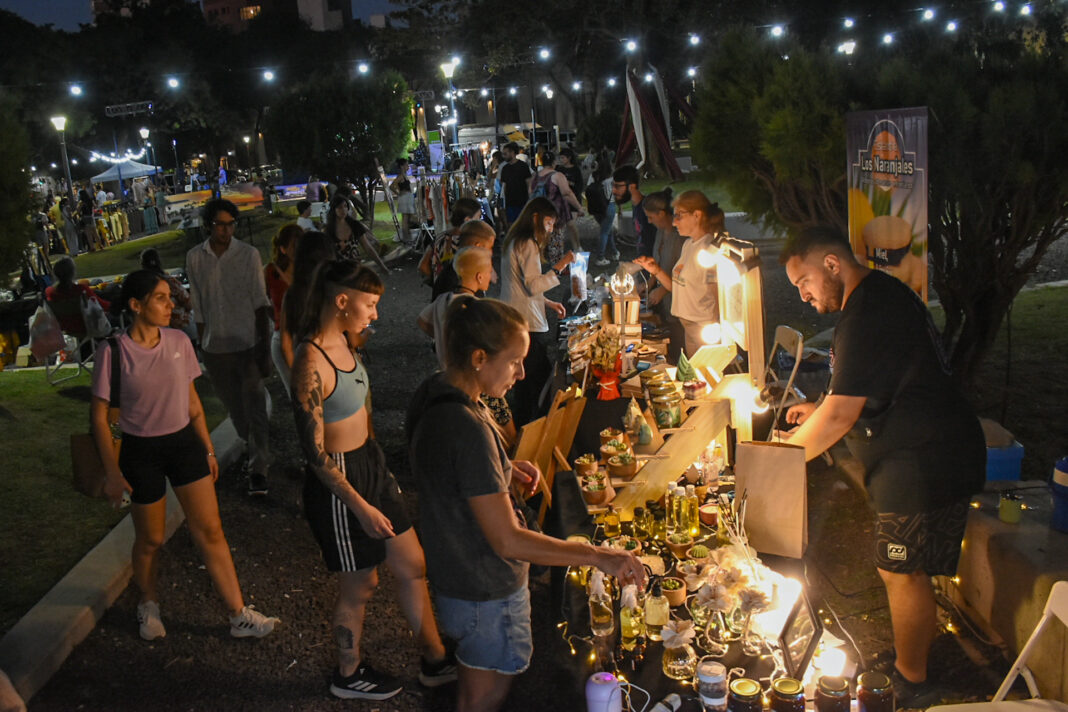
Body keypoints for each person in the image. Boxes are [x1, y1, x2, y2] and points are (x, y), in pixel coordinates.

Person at [407, 297, 647, 712]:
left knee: (474, 677)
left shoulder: (437, 391)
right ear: (479, 358)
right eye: (514, 361)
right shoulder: (467, 427)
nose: (521, 373)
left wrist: (502, 468)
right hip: (485, 589)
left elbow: (446, 472)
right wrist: (598, 556)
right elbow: (509, 541)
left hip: (456, 578)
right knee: (485, 695)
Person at [778, 226, 985, 706]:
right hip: (921, 450)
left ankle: (911, 681)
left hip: (924, 456)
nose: (804, 295)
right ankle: (911, 660)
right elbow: (859, 385)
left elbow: (840, 415)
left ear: (832, 264)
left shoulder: (869, 309)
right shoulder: (873, 298)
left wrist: (780, 461)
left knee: (900, 569)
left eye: (804, 281)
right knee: (906, 568)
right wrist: (819, 408)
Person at [289, 260, 455, 701]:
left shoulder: (347, 341)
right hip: (339, 482)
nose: (376, 314)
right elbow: (315, 454)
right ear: (342, 301)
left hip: (370, 465)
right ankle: (347, 673)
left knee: (412, 563)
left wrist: (380, 468)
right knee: (361, 584)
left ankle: (435, 658)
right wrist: (360, 508)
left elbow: (364, 411)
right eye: (370, 305)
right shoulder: (310, 360)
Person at [90, 269, 280, 643]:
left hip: (184, 445)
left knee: (210, 529)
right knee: (151, 539)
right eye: (160, 298)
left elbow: (192, 402)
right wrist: (112, 472)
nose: (170, 305)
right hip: (140, 452)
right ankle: (148, 603)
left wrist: (207, 448)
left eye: (170, 297)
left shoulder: (178, 341)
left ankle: (238, 613)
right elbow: (99, 417)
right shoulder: (113, 352)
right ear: (136, 305)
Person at [185, 198, 274, 496]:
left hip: (247, 343)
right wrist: (201, 344)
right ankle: (252, 445)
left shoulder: (248, 255)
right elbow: (198, 305)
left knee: (255, 404)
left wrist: (263, 347)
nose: (226, 230)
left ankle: (259, 468)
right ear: (208, 226)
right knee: (235, 408)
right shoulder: (195, 258)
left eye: (230, 224)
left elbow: (260, 301)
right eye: (220, 225)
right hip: (215, 347)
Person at [500, 197, 573, 426]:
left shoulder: (516, 240)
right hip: (525, 322)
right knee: (538, 381)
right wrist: (561, 265)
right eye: (548, 223)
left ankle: (523, 426)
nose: (550, 229)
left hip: (517, 316)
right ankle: (534, 428)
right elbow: (532, 285)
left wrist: (548, 303)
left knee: (525, 382)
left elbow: (522, 286)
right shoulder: (527, 243)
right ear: (535, 218)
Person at [634, 191, 722, 357]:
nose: (674, 222)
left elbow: (720, 293)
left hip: (704, 327)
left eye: (679, 216)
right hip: (688, 325)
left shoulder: (709, 249)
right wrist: (656, 271)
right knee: (693, 370)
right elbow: (677, 286)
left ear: (697, 215)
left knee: (706, 370)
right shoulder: (689, 244)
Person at [641, 189, 686, 360]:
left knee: (680, 344)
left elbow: (683, 274)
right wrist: (649, 284)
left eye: (650, 217)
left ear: (661, 213)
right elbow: (658, 263)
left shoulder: (680, 237)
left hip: (678, 302)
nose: (649, 221)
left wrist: (663, 290)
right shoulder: (660, 232)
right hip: (664, 303)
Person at [264, 224, 302, 396]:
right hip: (283, 335)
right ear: (283, 248)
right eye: (295, 245)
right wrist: (279, 318)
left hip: (306, 334)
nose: (299, 249)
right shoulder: (270, 272)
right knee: (297, 392)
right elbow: (262, 302)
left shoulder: (308, 270)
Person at [529, 149, 584, 258]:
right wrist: (579, 207)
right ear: (554, 162)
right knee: (555, 241)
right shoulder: (557, 175)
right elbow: (567, 193)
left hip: (539, 211)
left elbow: (530, 192)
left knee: (542, 238)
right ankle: (556, 263)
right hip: (555, 213)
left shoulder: (535, 176)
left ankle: (538, 261)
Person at [418, 197, 482, 289]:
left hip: (441, 294)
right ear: (468, 220)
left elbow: (423, 266)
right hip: (467, 294)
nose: (480, 221)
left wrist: (436, 283)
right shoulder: (472, 242)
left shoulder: (439, 238)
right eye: (478, 217)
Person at [45, 256, 111, 337]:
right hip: (88, 327)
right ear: (72, 272)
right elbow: (102, 305)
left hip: (66, 329)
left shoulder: (49, 292)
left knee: (96, 281)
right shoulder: (80, 290)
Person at [431, 219, 496, 300]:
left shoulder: (452, 269)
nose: (491, 252)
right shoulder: (463, 280)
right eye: (490, 247)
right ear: (478, 246)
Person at [139, 248, 193, 337]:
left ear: (143, 265)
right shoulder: (170, 282)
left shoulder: (141, 286)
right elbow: (189, 303)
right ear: (159, 262)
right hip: (179, 326)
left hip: (155, 330)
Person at [323, 194, 386, 269]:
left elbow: (367, 247)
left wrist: (382, 266)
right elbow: (327, 254)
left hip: (355, 266)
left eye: (345, 206)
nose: (343, 210)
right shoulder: (329, 230)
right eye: (339, 207)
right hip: (338, 269)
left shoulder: (354, 225)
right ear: (334, 209)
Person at [611, 165, 657, 257]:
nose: (613, 191)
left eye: (618, 186)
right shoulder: (636, 205)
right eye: (613, 185)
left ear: (632, 186)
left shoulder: (648, 209)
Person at [585, 161, 616, 266]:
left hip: (596, 207)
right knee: (605, 232)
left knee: (607, 229)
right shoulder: (612, 178)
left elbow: (588, 188)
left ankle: (614, 252)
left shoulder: (593, 176)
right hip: (609, 205)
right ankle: (600, 257)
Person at [498, 142, 531, 227]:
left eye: (505, 154)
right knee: (512, 225)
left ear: (512, 152)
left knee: (523, 224)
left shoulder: (523, 166)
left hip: (523, 201)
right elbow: (504, 186)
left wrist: (530, 198)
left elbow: (528, 183)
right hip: (510, 202)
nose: (504, 156)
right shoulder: (505, 168)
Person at [390, 158, 416, 241]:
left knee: (408, 218)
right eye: (406, 165)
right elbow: (392, 186)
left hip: (407, 197)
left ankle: (407, 236)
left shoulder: (404, 175)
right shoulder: (401, 176)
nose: (408, 166)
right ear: (402, 166)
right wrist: (398, 193)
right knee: (405, 218)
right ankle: (406, 237)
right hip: (404, 198)